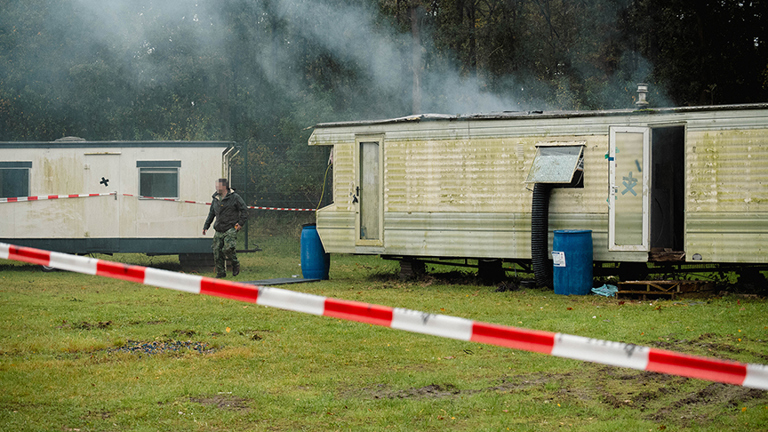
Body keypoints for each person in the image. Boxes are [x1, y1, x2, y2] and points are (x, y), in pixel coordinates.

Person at [203, 178, 248, 278]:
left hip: (230, 228)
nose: (216, 188)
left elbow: (244, 210)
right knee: (216, 251)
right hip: (219, 229)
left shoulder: (235, 197)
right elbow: (211, 213)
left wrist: (240, 224)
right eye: (216, 186)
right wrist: (206, 226)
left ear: (224, 186)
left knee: (228, 249)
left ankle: (235, 263)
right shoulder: (215, 198)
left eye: (218, 186)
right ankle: (221, 273)